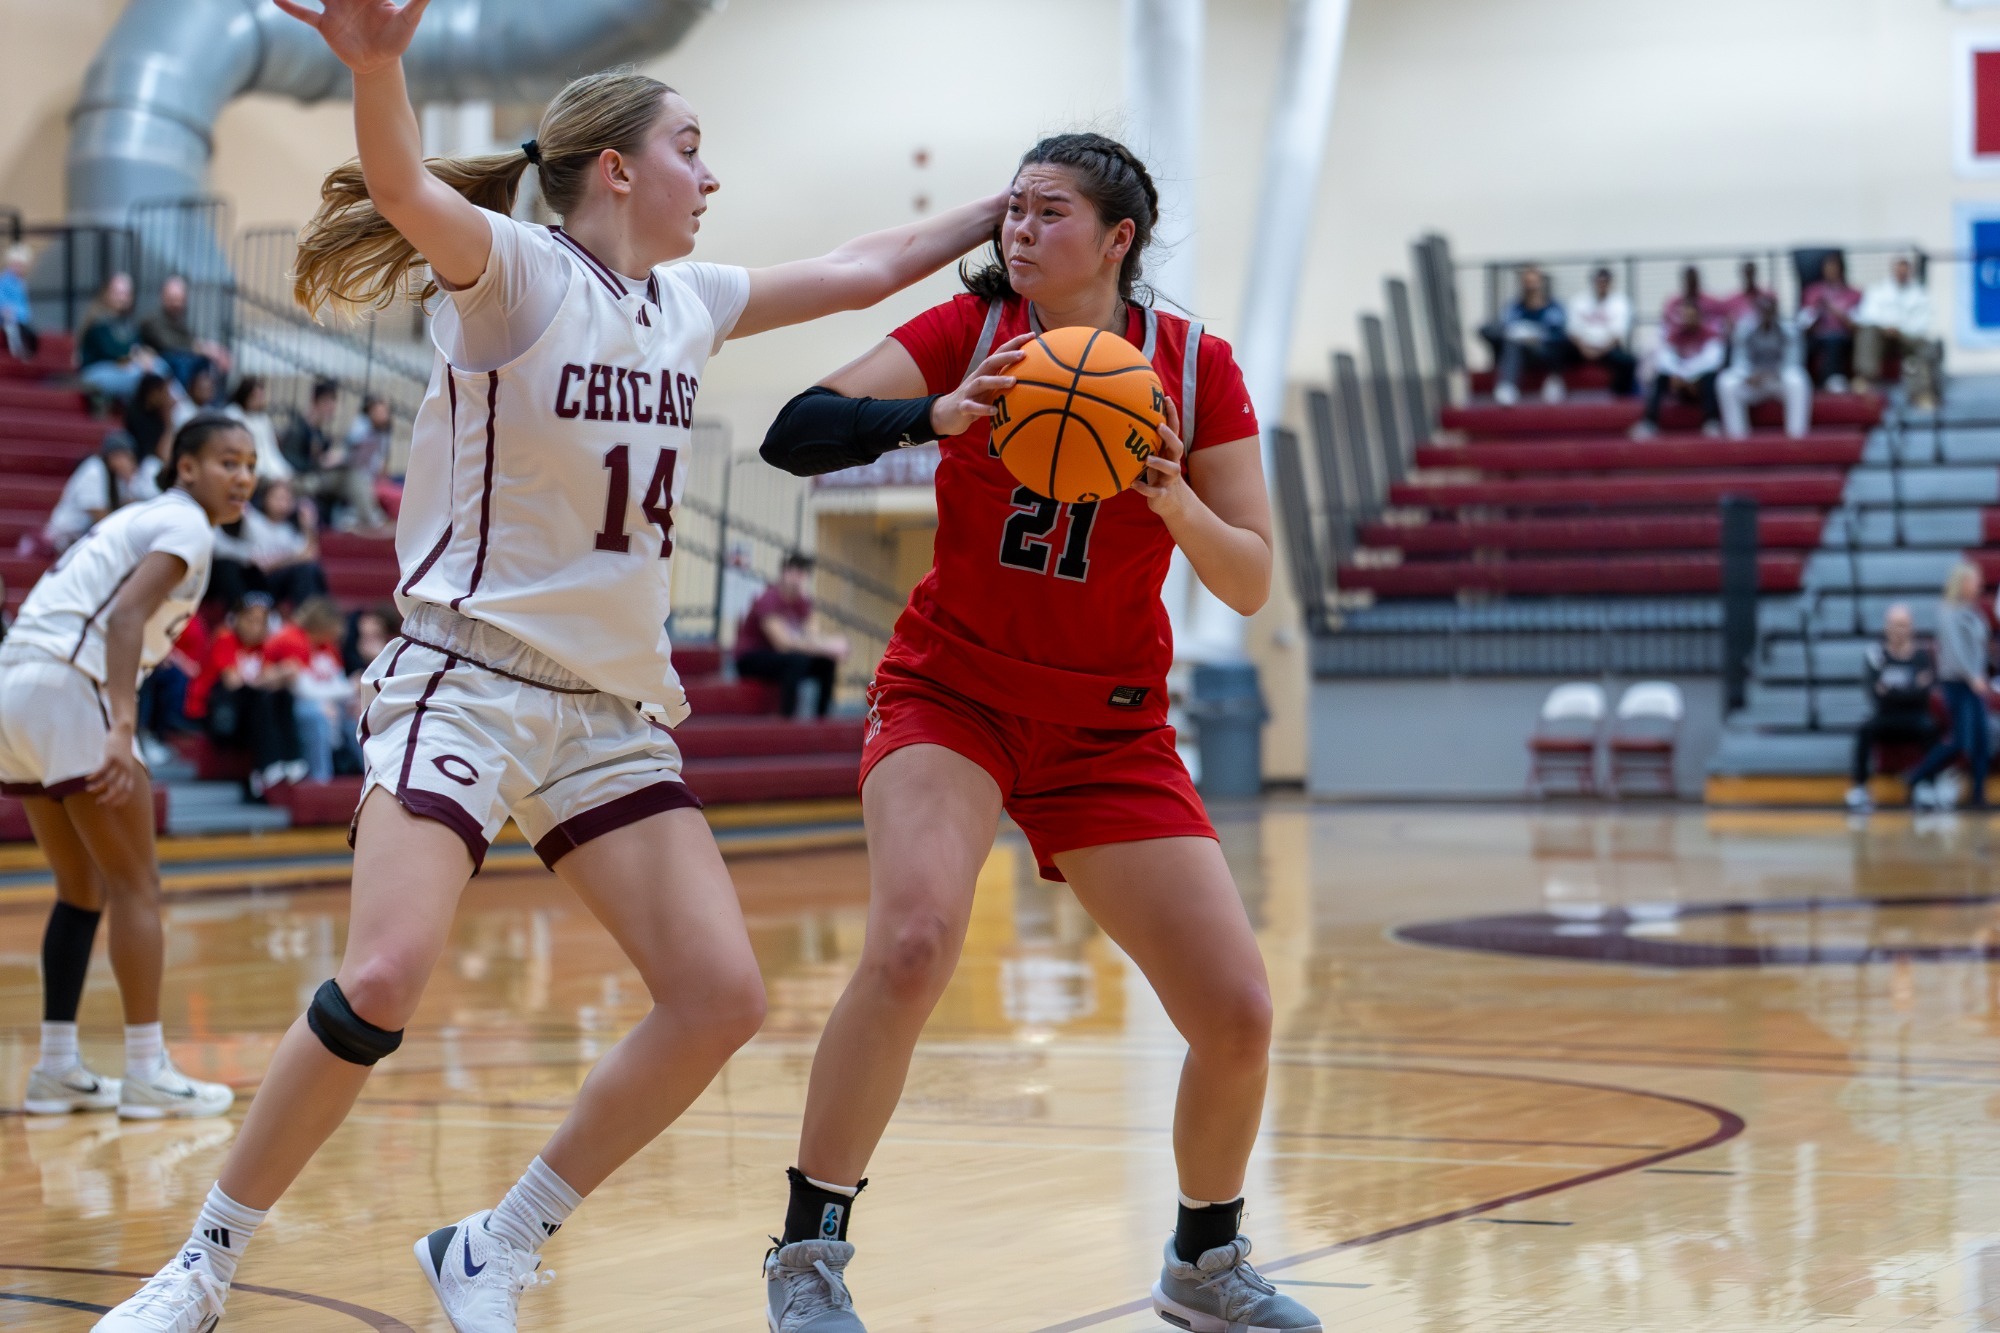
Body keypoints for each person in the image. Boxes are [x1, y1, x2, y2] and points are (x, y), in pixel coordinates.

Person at [93, 0, 1010, 1328]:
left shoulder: (688, 300)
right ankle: (205, 1260)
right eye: (694, 146)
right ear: (619, 169)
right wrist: (378, 61)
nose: (715, 174)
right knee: (388, 973)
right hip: (467, 674)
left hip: (608, 711)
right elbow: (401, 181)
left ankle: (496, 1240)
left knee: (720, 997)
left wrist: (1002, 206)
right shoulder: (520, 272)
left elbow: (867, 267)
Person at [757, 132, 1317, 1333]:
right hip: (951, 694)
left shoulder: (1194, 366)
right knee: (912, 942)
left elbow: (1253, 578)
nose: (1018, 231)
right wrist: (929, 419)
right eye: (1009, 211)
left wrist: (1170, 498)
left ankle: (1202, 1263)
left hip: (1107, 727)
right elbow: (794, 429)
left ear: (1117, 240)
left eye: (1047, 212)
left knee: (1236, 1011)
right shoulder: (966, 332)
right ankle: (807, 1255)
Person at [2, 415, 254, 1123]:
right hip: (67, 682)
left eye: (250, 465)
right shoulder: (186, 525)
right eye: (227, 461)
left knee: (80, 887)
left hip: (15, 684)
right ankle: (146, 1069)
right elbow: (122, 620)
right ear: (186, 469)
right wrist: (120, 724)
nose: (242, 476)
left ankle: (56, 1068)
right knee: (137, 882)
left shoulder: (142, 517)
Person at [200, 592, 307, 796]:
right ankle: (266, 764)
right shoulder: (225, 638)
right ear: (236, 618)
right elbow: (233, 682)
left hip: (248, 716)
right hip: (221, 718)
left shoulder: (264, 645)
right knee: (260, 697)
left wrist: (282, 673)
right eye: (250, 620)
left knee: (283, 694)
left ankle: (292, 759)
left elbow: (267, 679)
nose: (256, 627)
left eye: (262, 621)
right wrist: (275, 674)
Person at [1906, 562, 1992, 811]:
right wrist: (1972, 676)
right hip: (1959, 684)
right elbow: (1956, 651)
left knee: (1982, 742)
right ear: (1962, 582)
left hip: (1975, 683)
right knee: (1961, 740)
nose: (1979, 584)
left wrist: (1981, 674)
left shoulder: (1973, 611)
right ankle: (1916, 776)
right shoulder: (1948, 612)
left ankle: (1978, 794)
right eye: (1974, 580)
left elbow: (1980, 646)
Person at [1845, 604, 1938, 812]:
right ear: (1887, 627)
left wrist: (1892, 690)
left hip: (1915, 716)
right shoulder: (1876, 655)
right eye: (1895, 625)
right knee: (1864, 729)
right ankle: (1860, 788)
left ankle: (1928, 786)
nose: (1899, 630)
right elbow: (1875, 693)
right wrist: (1911, 688)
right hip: (1885, 716)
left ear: (1911, 628)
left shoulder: (1921, 655)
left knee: (1930, 728)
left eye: (1904, 625)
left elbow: (1924, 693)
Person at [735, 552, 848, 718]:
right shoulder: (768, 599)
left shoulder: (802, 602)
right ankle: (786, 718)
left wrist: (829, 646)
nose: (797, 578)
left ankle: (822, 720)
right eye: (793, 572)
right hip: (751, 658)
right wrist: (829, 646)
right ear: (783, 573)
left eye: (802, 573)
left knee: (825, 663)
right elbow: (783, 643)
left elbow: (812, 635)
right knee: (796, 660)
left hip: (780, 658)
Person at [267, 596, 362, 783]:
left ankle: (367, 774)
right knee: (317, 714)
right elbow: (303, 690)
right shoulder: (291, 639)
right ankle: (320, 779)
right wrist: (350, 688)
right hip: (288, 706)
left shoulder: (326, 644)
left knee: (357, 715)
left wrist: (350, 695)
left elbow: (337, 681)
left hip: (324, 703)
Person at [38, 432, 158, 555]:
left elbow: (128, 506)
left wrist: (130, 483)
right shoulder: (94, 469)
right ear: (110, 455)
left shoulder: (118, 477)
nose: (126, 462)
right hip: (67, 536)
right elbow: (99, 516)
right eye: (121, 456)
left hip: (85, 535)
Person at [1716, 294, 1811, 439]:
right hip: (1755, 383)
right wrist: (1748, 375)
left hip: (1778, 381)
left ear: (1775, 310)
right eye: (1762, 310)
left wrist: (1770, 373)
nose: (1766, 314)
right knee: (1726, 382)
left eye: (1769, 310)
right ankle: (1737, 438)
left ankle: (1796, 437)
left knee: (1798, 380)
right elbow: (1739, 361)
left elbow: (1793, 362)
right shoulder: (1744, 329)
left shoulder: (1788, 330)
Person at [1855, 255, 1941, 409]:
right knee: (1868, 332)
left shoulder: (1920, 294)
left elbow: (1922, 324)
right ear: (1893, 270)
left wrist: (1900, 331)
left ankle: (1923, 394)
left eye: (1905, 269)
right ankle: (1866, 378)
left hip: (1907, 338)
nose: (1902, 273)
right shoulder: (1878, 290)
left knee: (1926, 346)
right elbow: (1867, 315)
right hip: (1882, 336)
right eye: (1899, 269)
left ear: (1910, 271)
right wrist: (1886, 327)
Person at [1632, 301, 1725, 440]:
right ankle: (1649, 422)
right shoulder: (1675, 335)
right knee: (1660, 377)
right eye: (1686, 316)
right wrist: (1679, 376)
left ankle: (1711, 421)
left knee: (1711, 377)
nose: (1689, 319)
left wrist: (1689, 377)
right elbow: (1665, 358)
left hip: (1698, 383)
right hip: (1679, 381)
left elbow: (1712, 361)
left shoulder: (1710, 335)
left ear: (1700, 317)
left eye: (1692, 316)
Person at [1479, 264, 1567, 405]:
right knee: (1497, 334)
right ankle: (1507, 387)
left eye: (1533, 283)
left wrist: (1536, 336)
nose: (1530, 288)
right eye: (1527, 283)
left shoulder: (1554, 308)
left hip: (1545, 354)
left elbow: (1559, 334)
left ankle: (1554, 380)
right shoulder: (1513, 307)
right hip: (1518, 352)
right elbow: (1504, 329)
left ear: (1541, 283)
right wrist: (1518, 335)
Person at [75, 273, 165, 404]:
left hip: (124, 369)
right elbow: (111, 350)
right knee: (142, 378)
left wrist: (145, 356)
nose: (122, 298)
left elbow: (136, 346)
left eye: (126, 294)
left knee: (161, 366)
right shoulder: (97, 321)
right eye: (118, 293)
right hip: (97, 371)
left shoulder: (128, 323)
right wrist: (136, 357)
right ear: (107, 294)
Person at [241, 478, 330, 607]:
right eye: (278, 497)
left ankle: (316, 613)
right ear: (265, 497)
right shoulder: (252, 520)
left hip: (281, 583)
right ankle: (309, 615)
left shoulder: (290, 531)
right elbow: (262, 566)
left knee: (312, 570)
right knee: (304, 570)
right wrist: (292, 559)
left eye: (287, 499)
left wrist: (308, 527)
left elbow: (309, 556)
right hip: (255, 581)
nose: (282, 503)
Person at [139, 274, 233, 389]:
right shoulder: (152, 320)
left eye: (180, 300)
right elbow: (169, 343)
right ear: (163, 297)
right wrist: (205, 349)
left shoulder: (179, 321)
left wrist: (212, 349)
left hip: (176, 363)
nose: (176, 304)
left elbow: (190, 340)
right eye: (172, 299)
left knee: (204, 362)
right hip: (157, 364)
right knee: (182, 362)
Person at [1562, 266, 1636, 396]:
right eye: (1599, 282)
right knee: (1558, 348)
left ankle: (1619, 396)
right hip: (1581, 349)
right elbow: (1572, 331)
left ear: (1611, 283)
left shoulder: (1621, 302)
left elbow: (1617, 336)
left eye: (1605, 282)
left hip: (1607, 349)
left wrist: (1598, 352)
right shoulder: (1579, 300)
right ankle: (1556, 385)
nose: (1602, 285)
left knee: (1628, 362)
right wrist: (1584, 349)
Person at [1800, 253, 1861, 390]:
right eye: (1828, 267)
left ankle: (1830, 381)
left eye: (1834, 267)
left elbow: (1855, 326)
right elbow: (1804, 324)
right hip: (1817, 335)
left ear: (1841, 269)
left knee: (1833, 340)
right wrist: (1816, 314)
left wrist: (1834, 310)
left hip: (1842, 336)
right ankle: (1806, 382)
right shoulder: (1812, 292)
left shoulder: (1853, 294)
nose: (1831, 271)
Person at [225, 375, 295, 481]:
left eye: (261, 396)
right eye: (255, 396)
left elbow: (272, 451)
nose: (259, 400)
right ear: (246, 395)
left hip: (269, 470)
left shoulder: (263, 420)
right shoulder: (233, 414)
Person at [282, 378, 343, 477]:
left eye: (333, 401)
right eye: (327, 401)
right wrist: (319, 464)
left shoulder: (318, 431)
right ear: (316, 402)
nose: (332, 407)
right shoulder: (299, 428)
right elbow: (289, 459)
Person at [123, 373, 177, 478]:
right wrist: (168, 421)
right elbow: (162, 454)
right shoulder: (136, 415)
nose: (168, 397)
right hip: (140, 469)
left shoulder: (158, 415)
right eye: (165, 392)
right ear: (153, 393)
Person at [1661, 265, 1728, 341]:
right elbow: (1665, 325)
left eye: (1693, 281)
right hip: (1679, 341)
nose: (1691, 284)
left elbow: (1723, 320)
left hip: (1705, 341)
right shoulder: (1673, 303)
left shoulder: (1710, 302)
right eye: (1689, 281)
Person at [0, 242, 37, 360]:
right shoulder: (5, 281)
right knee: (13, 330)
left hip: (20, 318)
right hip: (8, 318)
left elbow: (23, 305)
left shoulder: (20, 283)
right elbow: (3, 301)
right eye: (16, 264)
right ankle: (17, 354)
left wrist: (23, 314)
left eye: (21, 265)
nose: (19, 268)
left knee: (30, 335)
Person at [1719, 259, 1771, 332]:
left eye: (1751, 273)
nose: (1749, 276)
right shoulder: (1733, 300)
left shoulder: (1767, 296)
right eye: (1747, 273)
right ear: (1743, 274)